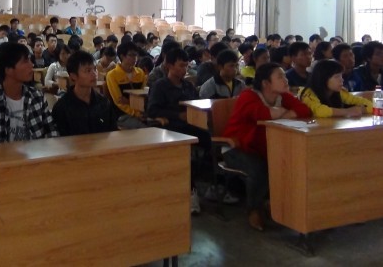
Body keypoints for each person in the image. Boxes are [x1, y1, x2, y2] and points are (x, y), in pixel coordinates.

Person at [223, 63, 311, 230]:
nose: (286, 80)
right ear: (265, 83)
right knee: (259, 168)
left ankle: (277, 204)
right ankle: (253, 210)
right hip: (236, 147)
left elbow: (304, 110)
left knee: (290, 163)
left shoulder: (282, 96)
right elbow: (262, 114)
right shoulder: (248, 96)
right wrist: (283, 112)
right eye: (280, 77)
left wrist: (282, 112)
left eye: (284, 76)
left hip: (264, 148)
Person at [147, 48, 214, 214]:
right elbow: (152, 110)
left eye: (186, 66)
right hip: (169, 127)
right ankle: (190, 190)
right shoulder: (160, 86)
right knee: (185, 151)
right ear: (169, 65)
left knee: (210, 140)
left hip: (190, 126)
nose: (185, 69)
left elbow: (197, 104)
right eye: (181, 66)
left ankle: (212, 184)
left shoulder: (188, 86)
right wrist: (178, 115)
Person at [0, 42, 58, 144]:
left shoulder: (37, 97)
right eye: (25, 61)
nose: (32, 64)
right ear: (8, 70)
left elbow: (52, 133)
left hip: (37, 153)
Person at [52, 51, 117, 136]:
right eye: (88, 70)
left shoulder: (104, 103)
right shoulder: (62, 107)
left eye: (95, 69)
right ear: (73, 76)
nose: (94, 74)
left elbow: (112, 132)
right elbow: (60, 139)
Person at [300, 60, 372, 118]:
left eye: (341, 76)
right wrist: (347, 111)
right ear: (323, 79)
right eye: (337, 77)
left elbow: (368, 104)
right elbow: (319, 111)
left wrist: (360, 110)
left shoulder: (339, 91)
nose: (342, 80)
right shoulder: (308, 93)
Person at [105, 42, 146, 129]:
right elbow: (119, 102)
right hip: (122, 115)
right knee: (144, 128)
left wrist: (128, 101)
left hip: (141, 112)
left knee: (158, 124)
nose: (135, 58)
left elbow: (143, 97)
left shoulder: (140, 73)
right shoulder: (112, 75)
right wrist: (136, 113)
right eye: (131, 55)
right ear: (122, 56)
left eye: (136, 55)